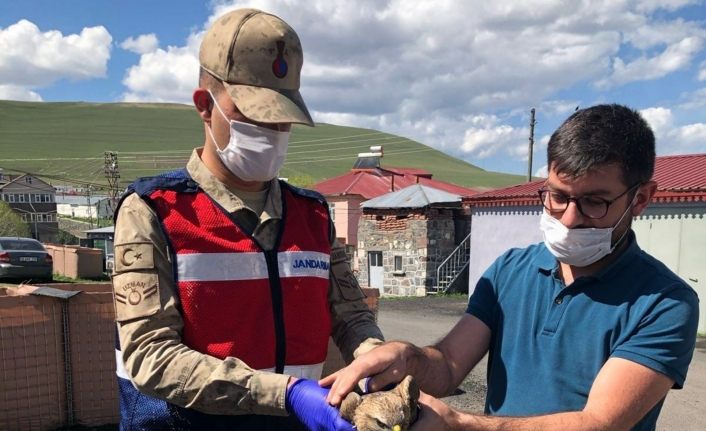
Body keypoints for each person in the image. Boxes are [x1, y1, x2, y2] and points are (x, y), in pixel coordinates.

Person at [322, 104, 699, 431]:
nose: (569, 219)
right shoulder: (510, 270)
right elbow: (450, 365)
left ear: (641, 199)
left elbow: (600, 423)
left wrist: (459, 424)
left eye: (594, 202)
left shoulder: (664, 303)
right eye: (557, 196)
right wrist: (408, 357)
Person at [111, 8, 383, 430]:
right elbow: (150, 355)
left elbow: (352, 317)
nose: (271, 132)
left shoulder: (312, 216)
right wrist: (287, 394)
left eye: (281, 119)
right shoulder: (155, 211)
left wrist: (375, 365)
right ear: (205, 106)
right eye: (254, 116)